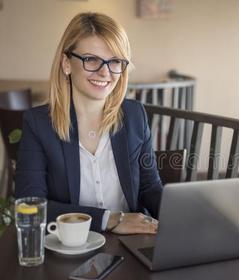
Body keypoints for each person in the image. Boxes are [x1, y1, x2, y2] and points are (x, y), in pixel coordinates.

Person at [15, 12, 162, 234]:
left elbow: (150, 187)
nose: (105, 72)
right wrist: (110, 220)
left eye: (114, 61)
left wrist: (183, 216)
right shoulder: (38, 124)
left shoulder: (134, 116)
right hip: (69, 247)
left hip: (131, 245)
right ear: (66, 63)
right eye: (91, 59)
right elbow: (31, 205)